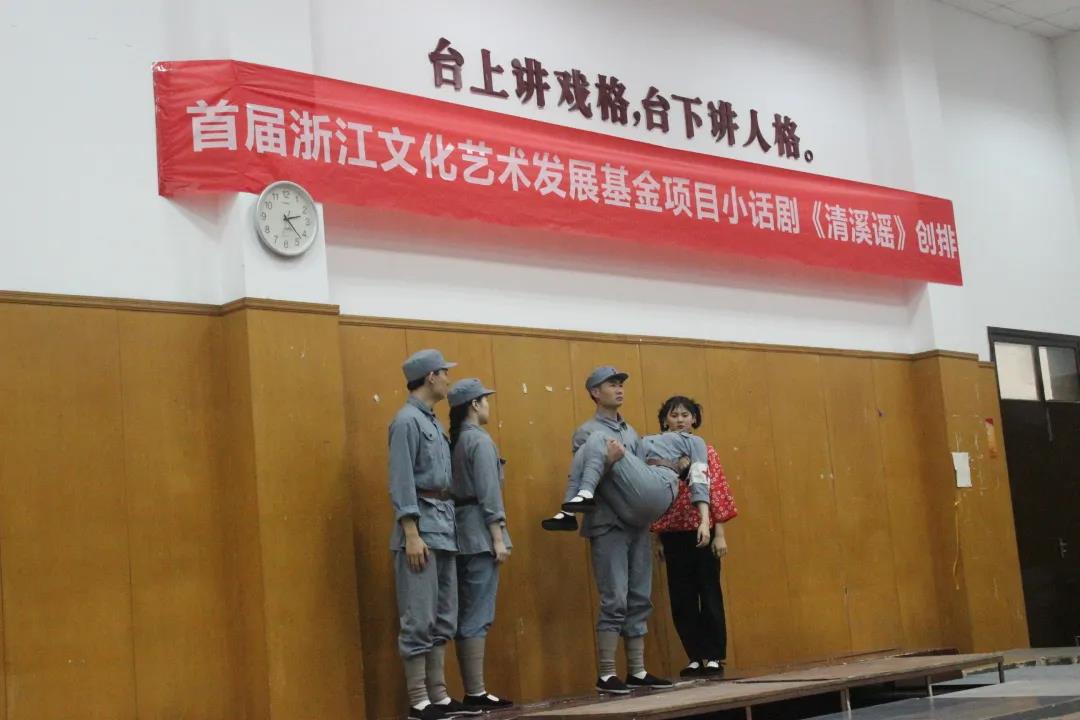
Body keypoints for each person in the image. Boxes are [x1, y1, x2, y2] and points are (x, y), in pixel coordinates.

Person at [541, 366, 674, 695]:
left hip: (636, 525)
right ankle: (606, 673)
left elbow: (641, 481)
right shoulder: (586, 433)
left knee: (639, 596)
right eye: (611, 384)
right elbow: (585, 474)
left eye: (620, 384)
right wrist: (611, 461)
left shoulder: (632, 432)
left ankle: (637, 670)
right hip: (607, 522)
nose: (619, 389)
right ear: (594, 392)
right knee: (614, 597)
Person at [388, 349, 478, 720]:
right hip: (421, 529)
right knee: (418, 617)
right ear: (430, 377)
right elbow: (401, 479)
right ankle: (419, 700)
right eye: (444, 373)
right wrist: (411, 532)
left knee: (443, 616)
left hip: (443, 526)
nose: (447, 380)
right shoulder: (406, 421)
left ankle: (439, 696)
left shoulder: (431, 421)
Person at [650, 396, 739, 679]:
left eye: (685, 415)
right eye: (674, 415)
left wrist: (719, 533)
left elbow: (717, 490)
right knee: (681, 596)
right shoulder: (656, 449)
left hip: (703, 531)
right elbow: (653, 494)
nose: (680, 420)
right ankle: (694, 656)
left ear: (694, 420)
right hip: (672, 533)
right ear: (665, 421)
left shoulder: (706, 450)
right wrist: (657, 537)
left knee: (708, 591)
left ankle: (713, 655)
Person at [447, 378, 514, 710]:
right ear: (474, 404)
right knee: (477, 613)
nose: (488, 405)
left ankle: (474, 690)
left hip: (459, 531)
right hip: (480, 534)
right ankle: (475, 691)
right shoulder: (480, 441)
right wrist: (497, 537)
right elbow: (489, 493)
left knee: (466, 611)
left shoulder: (456, 441)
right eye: (485, 399)